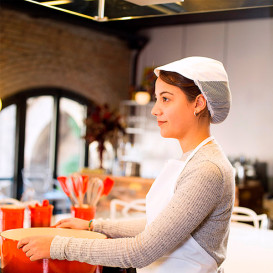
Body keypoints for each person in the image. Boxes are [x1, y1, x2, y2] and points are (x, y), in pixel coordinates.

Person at [18, 56, 235, 273]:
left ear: (198, 103)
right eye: (157, 99)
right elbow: (157, 227)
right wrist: (94, 226)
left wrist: (58, 246)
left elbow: (141, 251)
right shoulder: (193, 160)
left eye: (166, 99)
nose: (155, 110)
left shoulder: (207, 169)